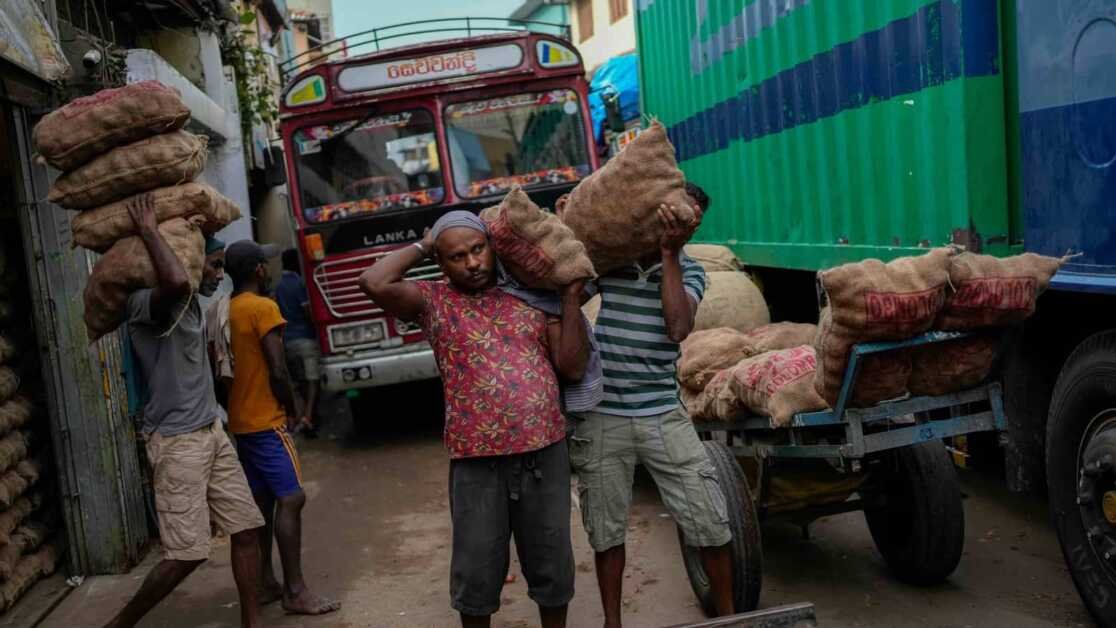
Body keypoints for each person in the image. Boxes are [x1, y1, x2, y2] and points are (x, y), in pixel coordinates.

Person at [358, 211, 589, 628]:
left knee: (552, 565)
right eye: (456, 256)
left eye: (478, 249)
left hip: (544, 452)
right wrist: (425, 244)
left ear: (492, 247)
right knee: (476, 572)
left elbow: (571, 368)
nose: (472, 263)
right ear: (441, 263)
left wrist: (570, 299)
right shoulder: (432, 301)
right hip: (477, 461)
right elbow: (374, 282)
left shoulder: (531, 295)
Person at [568, 183, 736, 627]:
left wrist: (669, 255)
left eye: (692, 220)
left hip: (662, 413)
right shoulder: (613, 261)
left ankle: (729, 617)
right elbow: (568, 297)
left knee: (709, 521)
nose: (684, 223)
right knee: (606, 533)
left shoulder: (691, 271)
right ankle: (613, 623)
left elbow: (678, 327)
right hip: (603, 414)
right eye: (679, 213)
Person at [106, 195, 264, 628]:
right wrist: (149, 230)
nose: (220, 274)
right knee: (187, 554)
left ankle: (253, 623)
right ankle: (119, 624)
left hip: (211, 432)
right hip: (176, 443)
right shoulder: (144, 304)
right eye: (214, 265)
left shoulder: (193, 304)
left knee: (247, 528)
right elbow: (175, 283)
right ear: (190, 262)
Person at [224, 240, 340, 616]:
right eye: (265, 263)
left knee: (262, 503)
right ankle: (295, 590)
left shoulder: (225, 310)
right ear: (258, 269)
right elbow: (278, 368)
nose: (268, 268)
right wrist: (291, 408)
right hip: (268, 422)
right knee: (292, 499)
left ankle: (266, 583)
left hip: (242, 423)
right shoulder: (262, 307)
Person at [274, 248, 319, 434]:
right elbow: (307, 311)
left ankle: (300, 416)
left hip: (287, 341)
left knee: (300, 382)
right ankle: (308, 417)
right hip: (305, 339)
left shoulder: (278, 286)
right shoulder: (299, 283)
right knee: (312, 380)